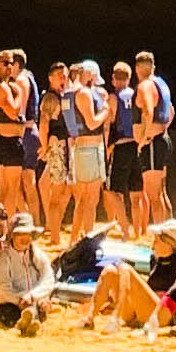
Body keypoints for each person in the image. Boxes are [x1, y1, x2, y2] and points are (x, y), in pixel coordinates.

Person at [82, 219, 176, 334]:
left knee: (125, 268)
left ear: (168, 243)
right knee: (110, 270)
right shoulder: (155, 260)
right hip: (142, 311)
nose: (153, 245)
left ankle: (115, 319)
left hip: (164, 313)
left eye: (156, 241)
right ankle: (89, 318)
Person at [0, 48, 42, 226]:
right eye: (5, 63)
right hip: (10, 141)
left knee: (6, 189)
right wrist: (18, 94)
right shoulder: (2, 87)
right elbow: (13, 112)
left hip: (7, 140)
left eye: (11, 63)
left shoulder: (6, 85)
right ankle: (5, 227)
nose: (9, 67)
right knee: (11, 189)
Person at [60, 59, 112, 243]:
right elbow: (91, 122)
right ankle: (86, 239)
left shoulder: (68, 94)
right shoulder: (82, 94)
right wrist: (106, 110)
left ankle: (76, 238)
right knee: (89, 200)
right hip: (89, 148)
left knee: (84, 199)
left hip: (81, 147)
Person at [0, 212, 57, 331]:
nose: (25, 238)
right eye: (20, 234)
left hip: (34, 300)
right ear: (12, 236)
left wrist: (34, 296)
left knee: (39, 308)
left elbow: (48, 278)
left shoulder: (38, 255)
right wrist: (21, 300)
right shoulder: (2, 258)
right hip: (10, 304)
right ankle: (29, 320)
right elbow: (4, 288)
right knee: (11, 314)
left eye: (28, 234)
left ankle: (29, 320)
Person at [133, 51, 176, 226]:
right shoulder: (161, 84)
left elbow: (148, 111)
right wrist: (163, 129)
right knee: (161, 192)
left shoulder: (145, 86)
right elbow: (171, 111)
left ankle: (162, 237)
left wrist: (144, 139)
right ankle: (170, 231)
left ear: (137, 68)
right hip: (162, 139)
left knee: (154, 196)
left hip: (152, 143)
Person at [104, 60, 143, 232]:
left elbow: (109, 123)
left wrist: (106, 147)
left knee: (113, 190)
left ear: (113, 79)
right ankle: (140, 231)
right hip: (137, 144)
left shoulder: (113, 97)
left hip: (121, 145)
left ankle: (124, 227)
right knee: (136, 193)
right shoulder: (135, 94)